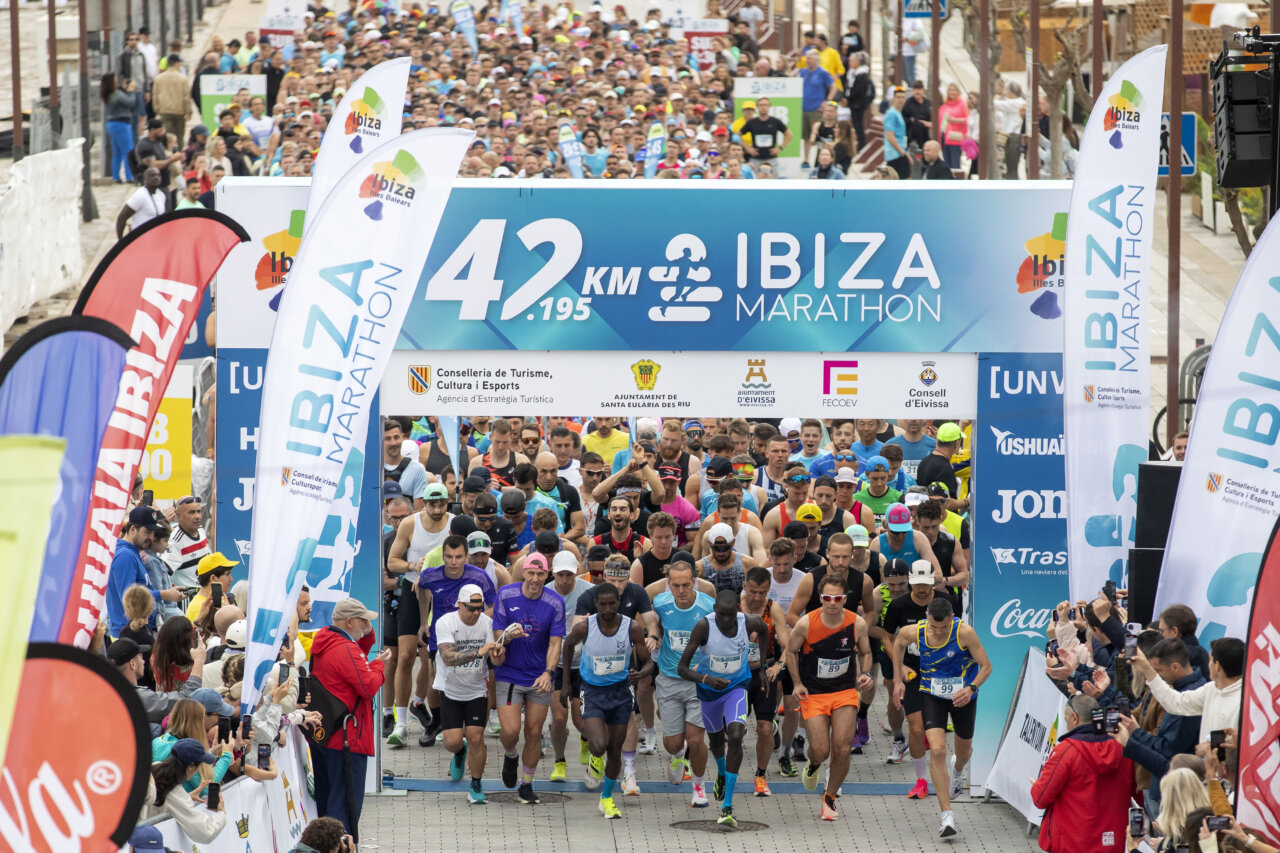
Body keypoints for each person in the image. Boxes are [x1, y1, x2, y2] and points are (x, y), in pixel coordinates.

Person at [894, 596, 992, 838]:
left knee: (964, 751)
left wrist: (971, 688)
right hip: (932, 694)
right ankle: (947, 815)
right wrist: (898, 678)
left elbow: (986, 666)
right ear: (926, 617)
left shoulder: (964, 632)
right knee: (937, 750)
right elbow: (898, 643)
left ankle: (957, 771)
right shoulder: (914, 631)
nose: (938, 632)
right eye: (934, 627)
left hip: (963, 697)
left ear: (952, 619)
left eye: (944, 627)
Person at [784, 573, 873, 821]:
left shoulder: (857, 623)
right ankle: (814, 764)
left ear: (845, 598)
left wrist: (866, 673)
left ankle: (830, 798)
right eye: (827, 598)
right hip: (814, 693)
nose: (832, 603)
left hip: (844, 692)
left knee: (843, 749)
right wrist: (797, 684)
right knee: (821, 750)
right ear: (820, 597)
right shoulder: (806, 624)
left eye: (837, 598)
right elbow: (790, 651)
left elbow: (866, 652)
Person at [561, 581, 653, 819]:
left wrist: (641, 673)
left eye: (612, 603)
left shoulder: (632, 628)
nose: (608, 609)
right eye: (603, 604)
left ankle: (607, 798)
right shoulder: (585, 627)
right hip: (592, 691)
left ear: (619, 603)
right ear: (596, 604)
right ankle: (594, 758)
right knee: (598, 745)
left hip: (620, 692)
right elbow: (567, 646)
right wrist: (566, 684)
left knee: (614, 749)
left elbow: (648, 662)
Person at [676, 588, 766, 828]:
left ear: (738, 609)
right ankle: (722, 772)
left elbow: (764, 631)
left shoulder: (749, 622)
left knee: (735, 735)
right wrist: (706, 679)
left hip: (737, 687)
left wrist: (763, 667)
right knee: (716, 742)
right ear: (714, 610)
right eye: (721, 615)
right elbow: (682, 668)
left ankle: (727, 807)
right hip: (709, 692)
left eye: (730, 614)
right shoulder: (703, 627)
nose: (725, 620)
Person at [309, 597, 391, 840]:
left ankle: (326, 845)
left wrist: (366, 631)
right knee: (345, 805)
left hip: (327, 734)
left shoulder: (326, 641)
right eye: (364, 621)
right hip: (347, 738)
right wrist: (378, 666)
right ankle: (340, 846)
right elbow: (368, 687)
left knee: (328, 800)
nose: (367, 625)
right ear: (350, 622)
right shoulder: (345, 649)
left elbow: (357, 660)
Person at [492, 552, 566, 805]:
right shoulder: (506, 595)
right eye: (531, 573)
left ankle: (526, 783)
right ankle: (511, 754)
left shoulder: (555, 602)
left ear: (547, 575)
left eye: (540, 574)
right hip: (510, 673)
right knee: (510, 731)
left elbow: (555, 643)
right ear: (523, 572)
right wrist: (508, 636)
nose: (535, 579)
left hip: (538, 676)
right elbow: (498, 636)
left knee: (534, 732)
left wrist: (549, 672)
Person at [883, 560, 960, 796]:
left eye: (926, 584)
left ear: (933, 581)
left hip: (943, 672)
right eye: (917, 584)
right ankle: (921, 780)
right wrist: (900, 667)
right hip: (914, 672)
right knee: (916, 729)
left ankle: (953, 772)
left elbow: (961, 632)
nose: (921, 589)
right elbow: (887, 638)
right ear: (910, 581)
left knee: (942, 734)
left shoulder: (948, 602)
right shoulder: (898, 605)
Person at [411, 532, 495, 748]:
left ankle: (474, 726)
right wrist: (423, 622)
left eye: (458, 557)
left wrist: (474, 622)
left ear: (466, 556)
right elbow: (422, 590)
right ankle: (437, 721)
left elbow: (494, 606)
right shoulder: (431, 575)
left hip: (472, 637)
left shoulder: (479, 577)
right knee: (435, 679)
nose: (454, 562)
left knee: (473, 675)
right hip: (441, 635)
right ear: (443, 557)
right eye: (449, 557)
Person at [386, 481, 453, 747]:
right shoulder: (410, 523)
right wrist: (414, 565)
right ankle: (400, 723)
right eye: (431, 504)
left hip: (442, 594)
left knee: (429, 659)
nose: (436, 509)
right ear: (422, 504)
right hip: (413, 591)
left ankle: (424, 706)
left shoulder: (455, 523)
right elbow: (392, 561)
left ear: (448, 502)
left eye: (441, 504)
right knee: (404, 656)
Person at [1031, 693, 1137, 852]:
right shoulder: (1124, 748)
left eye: (1066, 719)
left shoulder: (1066, 750)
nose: (1067, 724)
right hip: (1112, 842)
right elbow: (1138, 795)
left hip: (1072, 842)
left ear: (1074, 718)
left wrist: (1037, 786)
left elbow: (1041, 798)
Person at [652, 561, 716, 805]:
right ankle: (677, 755)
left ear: (694, 583)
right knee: (673, 743)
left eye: (686, 585)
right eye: (676, 585)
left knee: (696, 739)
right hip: (668, 680)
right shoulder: (660, 603)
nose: (681, 591)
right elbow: (651, 625)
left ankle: (699, 787)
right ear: (669, 584)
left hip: (698, 682)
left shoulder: (708, 607)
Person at [434, 583, 499, 804]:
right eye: (471, 608)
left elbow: (495, 654)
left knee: (476, 738)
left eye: (480, 608)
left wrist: (501, 648)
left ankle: (476, 785)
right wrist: (478, 652)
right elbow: (448, 658)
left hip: (477, 689)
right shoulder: (446, 622)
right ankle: (460, 753)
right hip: (451, 689)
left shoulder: (487, 623)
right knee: (452, 742)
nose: (476, 613)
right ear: (459, 605)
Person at [108, 507, 184, 638]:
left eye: (153, 532)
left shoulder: (133, 552)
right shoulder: (125, 556)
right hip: (128, 634)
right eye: (147, 532)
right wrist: (165, 594)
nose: (151, 537)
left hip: (137, 631)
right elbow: (130, 598)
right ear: (133, 529)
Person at [142, 738, 226, 843]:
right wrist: (221, 813)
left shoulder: (155, 767)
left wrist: (187, 796)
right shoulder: (173, 790)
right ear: (191, 766)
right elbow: (204, 832)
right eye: (199, 766)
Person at [102, 74, 138, 182]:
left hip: (112, 124)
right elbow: (130, 102)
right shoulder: (116, 94)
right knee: (128, 151)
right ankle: (129, 176)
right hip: (121, 124)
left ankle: (116, 176)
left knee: (117, 152)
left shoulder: (108, 94)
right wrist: (131, 91)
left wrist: (125, 90)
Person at [116, 166, 167, 239]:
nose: (156, 177)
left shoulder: (161, 195)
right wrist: (121, 241)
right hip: (140, 239)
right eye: (152, 175)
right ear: (145, 179)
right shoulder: (140, 195)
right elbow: (122, 218)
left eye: (158, 175)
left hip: (156, 238)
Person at [185, 552, 238, 621]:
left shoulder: (212, 602)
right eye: (227, 574)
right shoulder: (198, 606)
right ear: (213, 578)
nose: (231, 579)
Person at [883, 87, 910, 179]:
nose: (900, 99)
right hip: (895, 155)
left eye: (903, 97)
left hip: (899, 153)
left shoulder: (898, 113)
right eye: (898, 97)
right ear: (893, 98)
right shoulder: (891, 114)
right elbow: (890, 136)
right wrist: (902, 152)